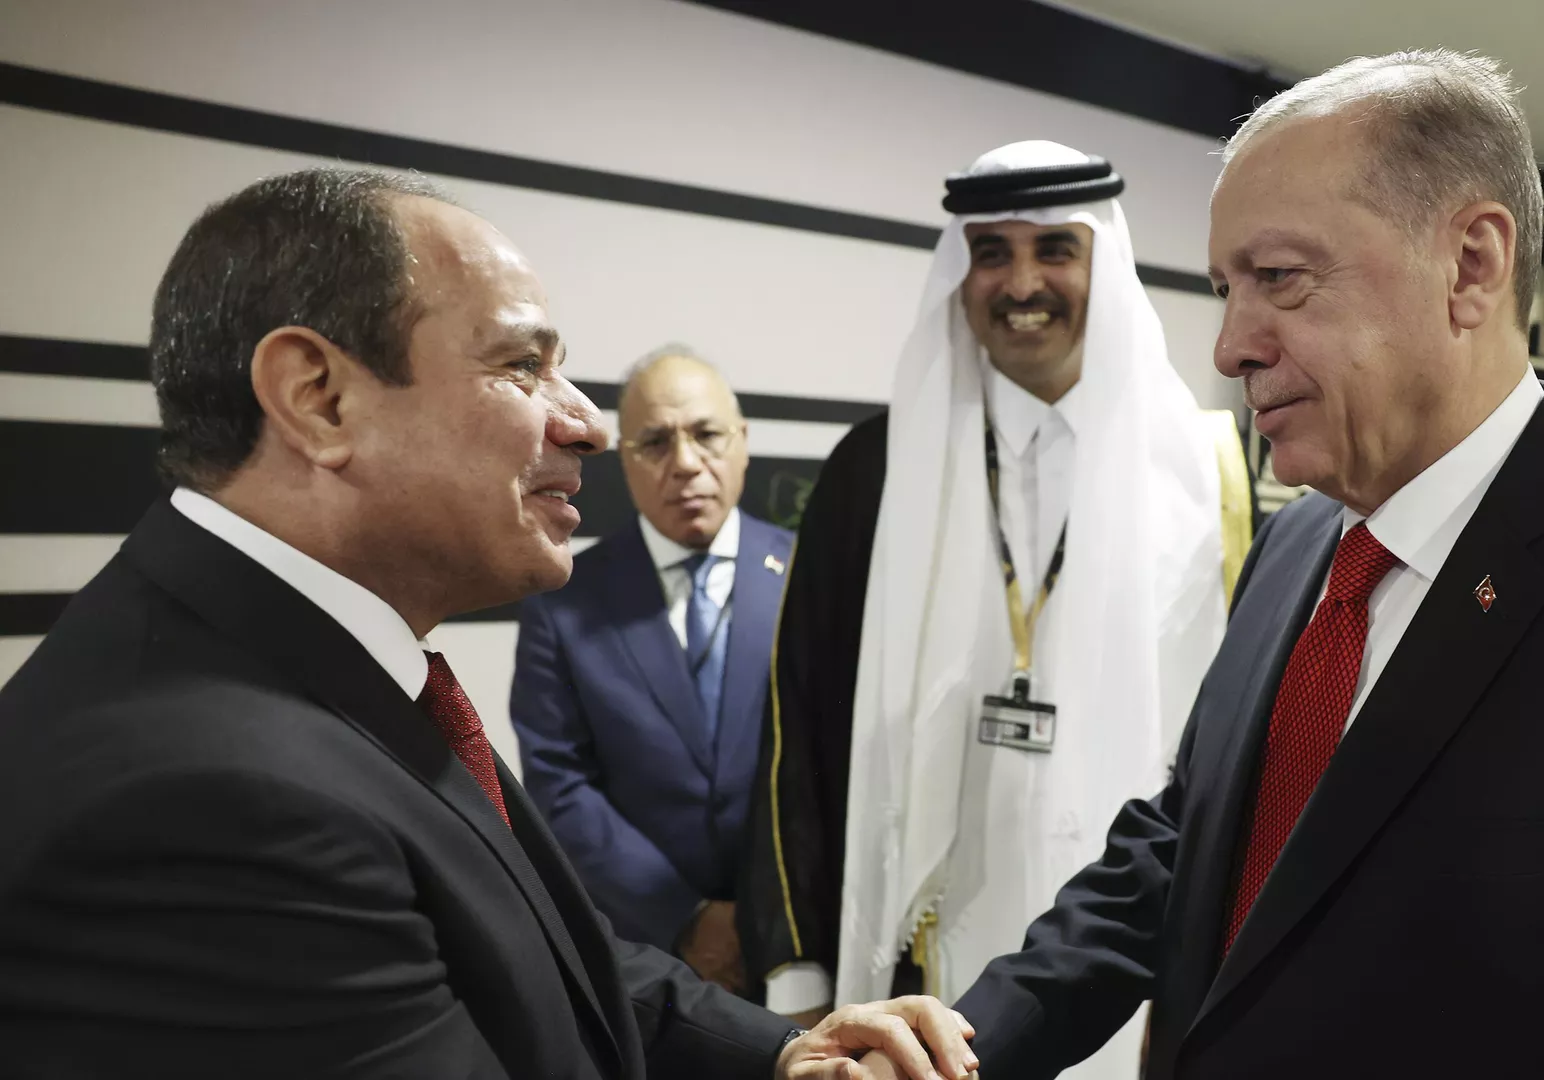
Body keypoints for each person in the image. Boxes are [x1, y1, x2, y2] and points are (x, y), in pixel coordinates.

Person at [876, 49, 1544, 1079]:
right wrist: (958, 1048)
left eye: (1279, 278)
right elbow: (1188, 846)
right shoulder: (1296, 545)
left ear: (1471, 266)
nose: (1229, 346)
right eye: (1226, 289)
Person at [0, 168, 975, 1080]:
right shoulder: (212, 800)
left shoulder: (315, 659)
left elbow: (532, 946)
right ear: (318, 399)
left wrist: (785, 1054)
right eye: (523, 365)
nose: (587, 425)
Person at [737, 141, 1252, 1078]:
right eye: (991, 253)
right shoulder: (876, 471)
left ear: (1103, 262)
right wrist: (797, 971)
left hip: (1131, 971)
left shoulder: (1203, 473)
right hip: (918, 960)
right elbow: (796, 730)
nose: (1021, 283)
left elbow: (1231, 755)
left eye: (1054, 248)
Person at [512, 345, 793, 992]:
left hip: (804, 944)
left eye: (707, 435)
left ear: (743, 441)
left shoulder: (813, 577)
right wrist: (687, 918)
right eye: (656, 442)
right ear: (625, 459)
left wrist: (779, 918)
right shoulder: (565, 601)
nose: (686, 464)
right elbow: (560, 785)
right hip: (647, 959)